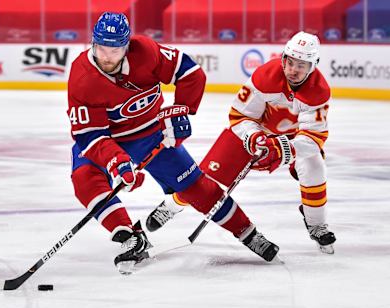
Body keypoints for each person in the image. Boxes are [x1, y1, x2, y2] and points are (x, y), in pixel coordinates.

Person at [67, 12, 279, 273]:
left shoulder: (145, 51)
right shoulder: (81, 77)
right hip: (106, 138)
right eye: (102, 48)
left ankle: (247, 232)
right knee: (85, 178)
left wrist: (180, 111)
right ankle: (130, 236)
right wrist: (117, 162)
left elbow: (189, 72)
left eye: (115, 49)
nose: (107, 57)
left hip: (150, 133)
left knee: (197, 188)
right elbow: (90, 136)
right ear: (92, 43)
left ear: (127, 45)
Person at [146, 31, 337, 254]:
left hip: (291, 139)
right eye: (290, 62)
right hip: (253, 133)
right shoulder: (266, 75)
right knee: (204, 179)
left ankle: (316, 224)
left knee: (314, 165)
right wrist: (254, 136)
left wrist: (283, 148)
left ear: (313, 66)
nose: (293, 70)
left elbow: (313, 137)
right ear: (284, 58)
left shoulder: (318, 90)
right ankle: (172, 206)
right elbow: (239, 117)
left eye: (301, 65)